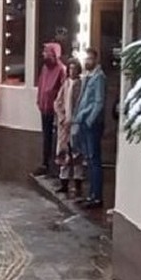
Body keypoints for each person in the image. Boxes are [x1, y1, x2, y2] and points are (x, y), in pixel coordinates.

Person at [73, 47, 107, 210]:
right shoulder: (88, 77)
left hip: (92, 124)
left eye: (90, 59)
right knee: (89, 159)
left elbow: (99, 101)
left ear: (96, 60)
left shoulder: (99, 78)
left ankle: (96, 196)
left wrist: (89, 119)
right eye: (86, 58)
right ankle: (91, 194)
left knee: (94, 160)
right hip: (84, 121)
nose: (87, 62)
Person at [54, 58, 85, 197]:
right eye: (70, 69)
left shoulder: (81, 85)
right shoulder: (65, 84)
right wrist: (61, 116)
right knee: (63, 152)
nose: (72, 71)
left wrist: (76, 119)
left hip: (76, 124)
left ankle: (78, 183)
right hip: (64, 124)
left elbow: (81, 103)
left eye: (74, 69)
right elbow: (58, 102)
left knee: (77, 153)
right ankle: (64, 182)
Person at [34, 42, 66, 176]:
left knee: (55, 137)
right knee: (46, 136)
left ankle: (54, 165)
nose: (43, 54)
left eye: (46, 52)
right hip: (44, 107)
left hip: (55, 109)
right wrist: (39, 100)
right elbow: (41, 85)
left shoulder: (61, 69)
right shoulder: (45, 68)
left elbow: (63, 90)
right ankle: (45, 163)